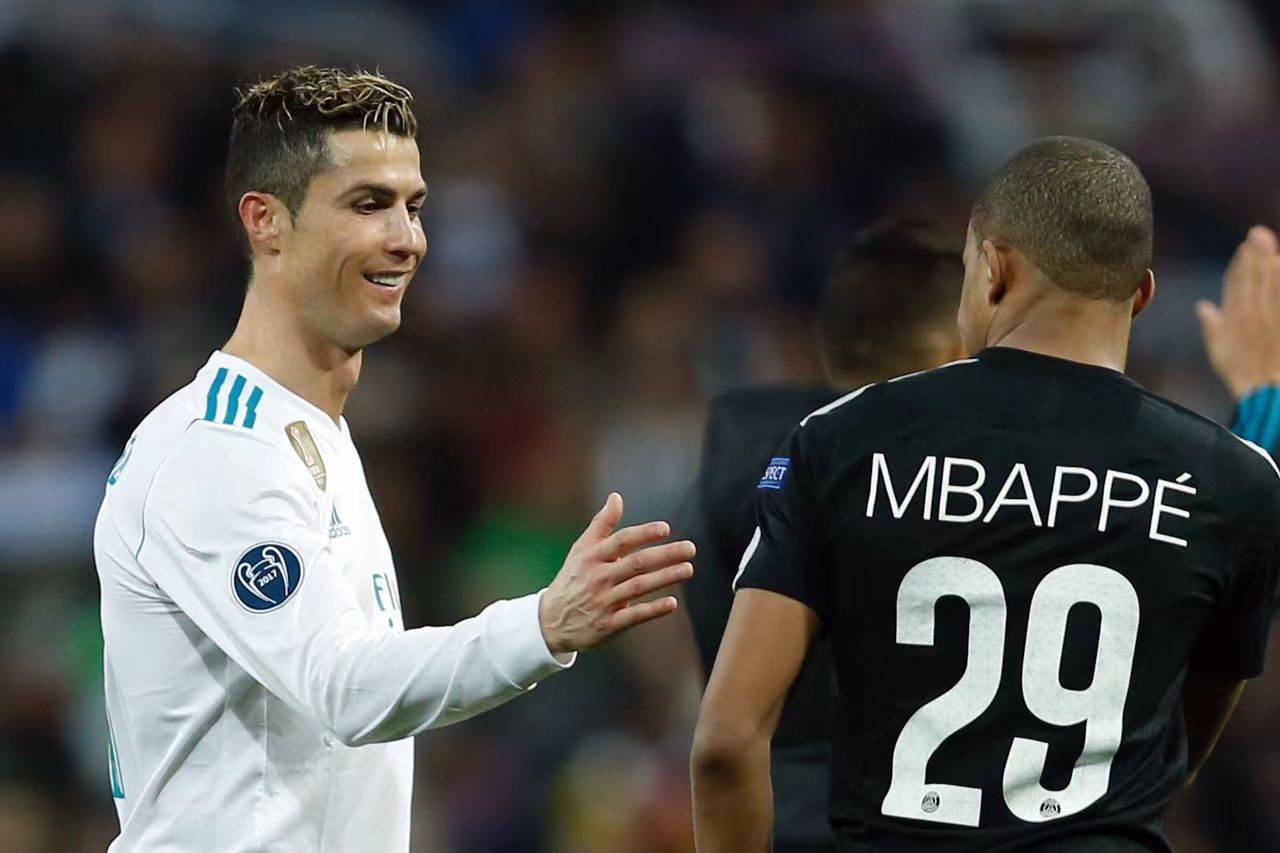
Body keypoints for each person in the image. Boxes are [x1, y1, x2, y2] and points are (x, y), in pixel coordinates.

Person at [93, 66, 695, 853]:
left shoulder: (313, 433)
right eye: (367, 204)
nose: (407, 239)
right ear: (265, 221)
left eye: (413, 206)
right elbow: (344, 687)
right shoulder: (217, 450)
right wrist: (544, 624)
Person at [691, 136, 1280, 852]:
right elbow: (1173, 748)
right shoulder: (1235, 482)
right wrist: (1264, 403)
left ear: (994, 269)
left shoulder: (838, 443)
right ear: (1143, 295)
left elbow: (724, 744)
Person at [678, 219, 963, 851]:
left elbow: (726, 737)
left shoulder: (727, 477)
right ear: (952, 349)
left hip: (763, 821)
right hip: (918, 824)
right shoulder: (951, 493)